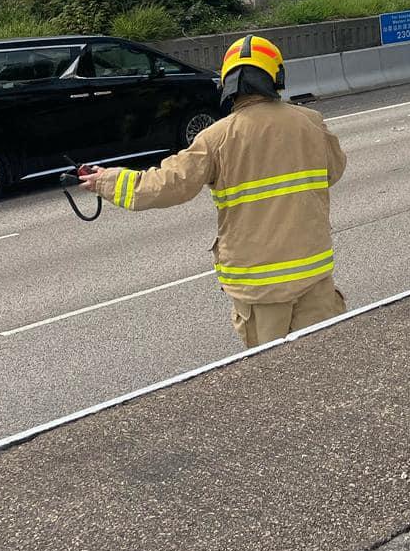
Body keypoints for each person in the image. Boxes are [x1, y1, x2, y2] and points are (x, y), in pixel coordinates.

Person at [80, 34, 347, 349]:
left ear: (229, 83)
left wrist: (107, 181)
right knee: (326, 369)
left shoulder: (216, 138)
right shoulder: (311, 122)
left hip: (258, 288)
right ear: (276, 77)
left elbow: (167, 185)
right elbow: (334, 170)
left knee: (276, 380)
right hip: (313, 275)